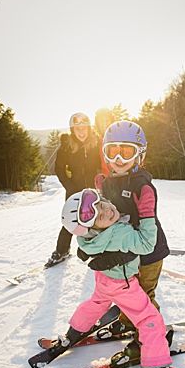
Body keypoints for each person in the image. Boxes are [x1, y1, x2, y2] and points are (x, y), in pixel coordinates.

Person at [45, 188, 185, 368]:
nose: (107, 210)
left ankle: (72, 333)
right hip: (123, 284)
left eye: (102, 204)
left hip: (104, 279)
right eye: (100, 216)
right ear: (91, 228)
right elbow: (147, 245)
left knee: (96, 304)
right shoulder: (120, 233)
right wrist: (147, 214)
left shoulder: (89, 239)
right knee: (150, 320)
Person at [77, 121, 171, 365]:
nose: (118, 158)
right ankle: (128, 321)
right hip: (127, 254)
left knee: (144, 296)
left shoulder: (142, 186)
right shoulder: (109, 181)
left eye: (126, 151)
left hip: (149, 254)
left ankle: (150, 337)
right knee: (127, 293)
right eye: (112, 151)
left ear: (140, 154)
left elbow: (146, 234)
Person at [46, 112, 102, 267]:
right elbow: (59, 168)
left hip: (94, 189)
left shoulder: (96, 143)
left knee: (97, 218)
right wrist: (69, 186)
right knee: (71, 220)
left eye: (84, 128)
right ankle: (62, 250)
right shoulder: (67, 146)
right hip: (74, 189)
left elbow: (102, 164)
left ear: (89, 128)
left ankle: (99, 250)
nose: (82, 132)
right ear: (72, 130)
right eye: (78, 129)